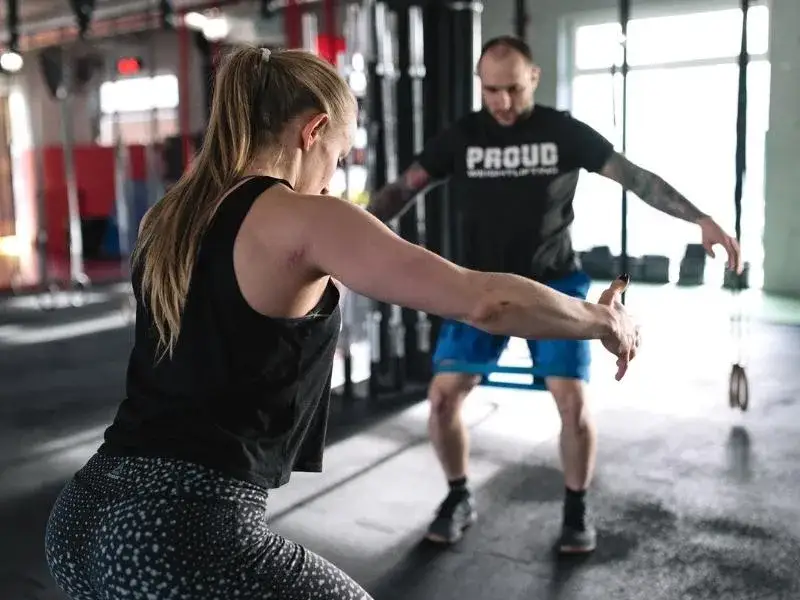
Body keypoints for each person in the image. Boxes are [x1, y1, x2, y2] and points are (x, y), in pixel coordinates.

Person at [43, 46, 640, 600]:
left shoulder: (168, 215)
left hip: (83, 515)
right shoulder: (307, 219)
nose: (332, 172)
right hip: (177, 531)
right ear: (313, 130)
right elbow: (482, 301)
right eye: (339, 153)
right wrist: (600, 318)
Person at [367, 35, 742, 555]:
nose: (500, 101)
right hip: (478, 284)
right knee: (442, 397)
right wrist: (344, 238)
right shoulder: (461, 136)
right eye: (490, 89)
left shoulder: (560, 131)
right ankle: (458, 496)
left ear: (534, 79)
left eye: (512, 90)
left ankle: (575, 506)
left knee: (572, 404)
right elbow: (402, 190)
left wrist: (700, 218)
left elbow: (636, 179)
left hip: (554, 283)